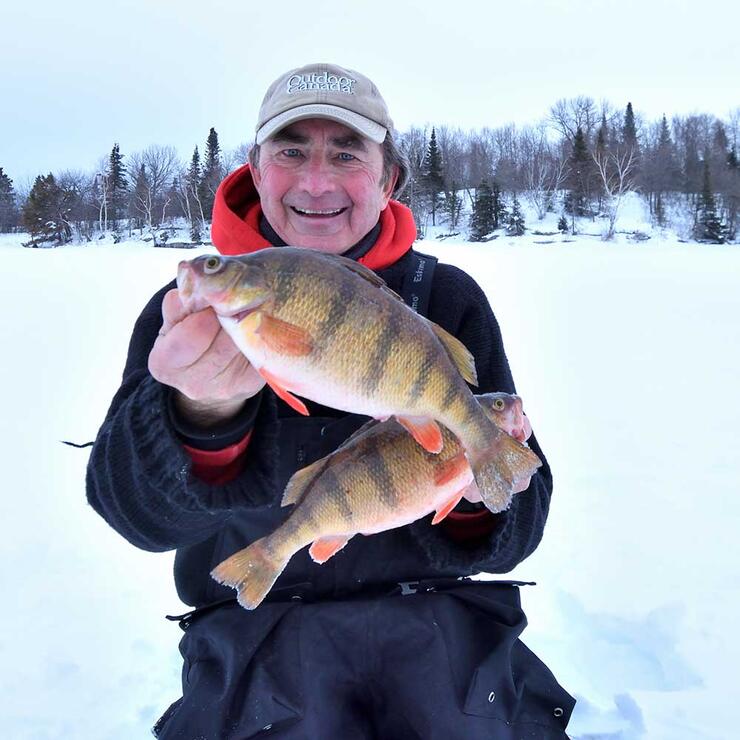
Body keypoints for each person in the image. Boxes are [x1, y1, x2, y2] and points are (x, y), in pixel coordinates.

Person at [87, 62, 574, 739]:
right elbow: (134, 517)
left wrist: (463, 490)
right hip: (257, 635)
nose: (316, 182)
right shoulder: (189, 319)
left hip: (444, 626)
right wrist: (201, 421)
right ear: (256, 172)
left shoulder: (449, 303)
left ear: (386, 180)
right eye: (291, 152)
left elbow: (515, 527)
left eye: (346, 154)